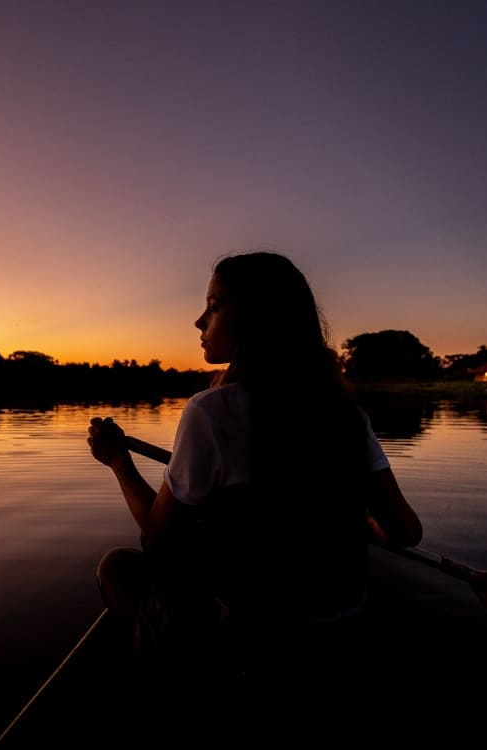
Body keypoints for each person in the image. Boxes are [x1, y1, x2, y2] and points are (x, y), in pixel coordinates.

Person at [87, 251, 423, 707]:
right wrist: (361, 521)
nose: (199, 321)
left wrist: (118, 461)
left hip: (251, 636)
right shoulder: (346, 415)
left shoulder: (209, 413)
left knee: (118, 566)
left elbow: (159, 534)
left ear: (256, 317)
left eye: (215, 305)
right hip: (343, 619)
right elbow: (406, 531)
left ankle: (171, 682)